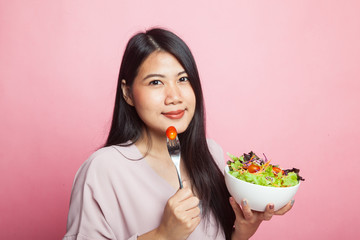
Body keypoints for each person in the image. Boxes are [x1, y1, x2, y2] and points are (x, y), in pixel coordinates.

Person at [63, 27, 293, 240]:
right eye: (156, 82)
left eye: (183, 79)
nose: (174, 96)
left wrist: (242, 231)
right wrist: (163, 235)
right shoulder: (103, 169)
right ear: (128, 93)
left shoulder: (211, 152)